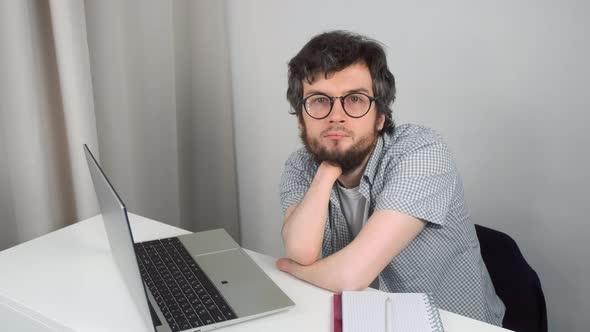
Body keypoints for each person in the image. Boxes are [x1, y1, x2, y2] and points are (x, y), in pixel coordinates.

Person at [276, 30, 505, 326]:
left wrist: (294, 270)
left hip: (449, 324)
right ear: (300, 119)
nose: (336, 116)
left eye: (355, 99)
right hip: (367, 318)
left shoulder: (422, 151)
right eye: (320, 101)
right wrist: (326, 169)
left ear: (380, 117)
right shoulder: (299, 166)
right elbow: (302, 251)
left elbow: (349, 275)